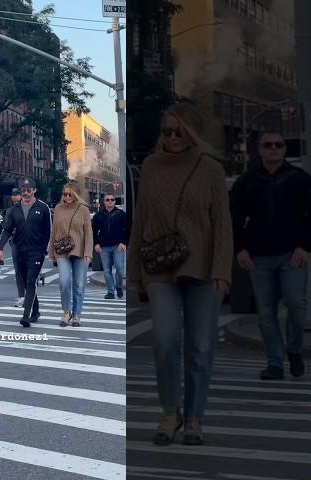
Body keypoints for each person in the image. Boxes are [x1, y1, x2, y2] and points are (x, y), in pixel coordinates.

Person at [128, 102, 233, 446]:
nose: (171, 138)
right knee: (165, 341)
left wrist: (221, 270)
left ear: (192, 133)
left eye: (179, 132)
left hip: (203, 268)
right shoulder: (152, 166)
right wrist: (135, 274)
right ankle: (169, 411)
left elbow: (222, 223)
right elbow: (140, 219)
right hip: (159, 267)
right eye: (167, 131)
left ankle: (195, 418)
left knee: (201, 347)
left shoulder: (210, 169)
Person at [231, 131, 310, 380]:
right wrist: (239, 250)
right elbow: (234, 218)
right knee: (266, 314)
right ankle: (274, 362)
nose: (274, 148)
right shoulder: (247, 181)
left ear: (285, 149)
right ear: (260, 150)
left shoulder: (300, 179)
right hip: (259, 258)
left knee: (297, 305)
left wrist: (305, 247)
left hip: (292, 255)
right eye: (268, 145)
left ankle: (294, 350)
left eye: (279, 144)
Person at [0, 178, 51, 327]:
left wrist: (44, 248)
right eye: (23, 190)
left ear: (34, 190)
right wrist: (0, 248)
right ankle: (36, 311)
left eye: (29, 190)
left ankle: (26, 315)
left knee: (31, 280)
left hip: (36, 251)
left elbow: (47, 231)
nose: (26, 193)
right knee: (27, 282)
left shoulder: (43, 207)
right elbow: (7, 230)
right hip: (20, 250)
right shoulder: (13, 210)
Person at [48, 180, 93, 327]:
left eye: (69, 194)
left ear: (76, 194)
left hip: (80, 251)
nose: (66, 197)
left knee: (79, 285)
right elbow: (54, 231)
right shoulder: (58, 209)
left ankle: (77, 315)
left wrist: (88, 252)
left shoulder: (83, 209)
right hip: (62, 251)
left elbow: (88, 233)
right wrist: (51, 252)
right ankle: (66, 312)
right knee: (64, 282)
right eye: (64, 194)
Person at [92, 194, 127, 299]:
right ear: (104, 202)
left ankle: (119, 286)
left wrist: (123, 242)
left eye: (112, 200)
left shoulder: (121, 214)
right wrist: (96, 244)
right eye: (107, 200)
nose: (110, 201)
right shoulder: (98, 215)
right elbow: (93, 231)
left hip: (118, 246)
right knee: (107, 270)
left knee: (120, 268)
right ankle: (110, 292)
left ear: (115, 202)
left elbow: (127, 229)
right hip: (104, 247)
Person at [6, 188, 26, 307]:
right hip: (15, 243)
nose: (16, 204)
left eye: (17, 201)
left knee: (28, 272)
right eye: (13, 202)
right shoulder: (10, 211)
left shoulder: (29, 209)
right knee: (18, 271)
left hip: (29, 243)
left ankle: (30, 297)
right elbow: (7, 229)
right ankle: (21, 297)